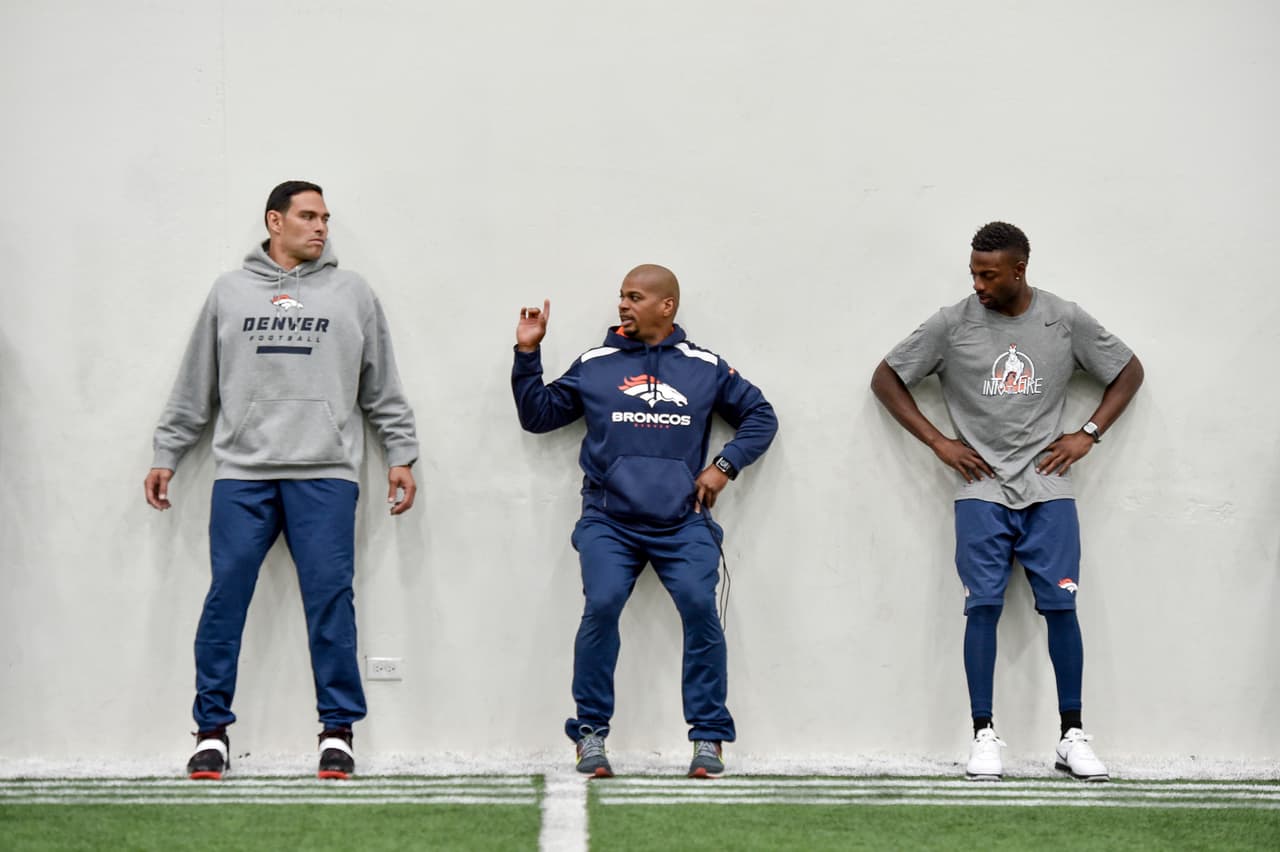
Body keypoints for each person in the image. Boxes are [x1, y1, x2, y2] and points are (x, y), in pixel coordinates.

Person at [144, 181, 419, 780]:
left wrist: (401, 451)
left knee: (331, 602)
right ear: (275, 221)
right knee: (225, 601)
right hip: (242, 475)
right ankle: (211, 733)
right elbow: (196, 384)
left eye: (326, 218)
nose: (321, 227)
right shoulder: (229, 292)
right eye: (308, 216)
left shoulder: (353, 293)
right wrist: (168, 450)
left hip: (325, 473)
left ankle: (337, 732)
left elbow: (381, 385)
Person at [870, 222, 1143, 782]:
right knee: (983, 608)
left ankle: (1071, 736)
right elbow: (885, 379)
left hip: (1048, 488)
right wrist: (939, 442)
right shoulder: (952, 324)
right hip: (982, 491)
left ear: (1019, 270)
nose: (978, 284)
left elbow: (1128, 371)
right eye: (973, 273)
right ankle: (983, 736)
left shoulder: (1063, 319)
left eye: (988, 275)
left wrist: (1088, 433)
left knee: (1062, 608)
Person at [512, 264, 777, 778]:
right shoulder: (596, 364)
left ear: (666, 305)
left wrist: (724, 467)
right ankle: (590, 733)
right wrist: (527, 354)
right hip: (608, 521)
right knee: (602, 604)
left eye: (634, 297)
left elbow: (761, 416)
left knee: (700, 606)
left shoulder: (704, 366)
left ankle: (708, 737)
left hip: (683, 521)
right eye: (622, 296)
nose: (622, 305)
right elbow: (538, 416)